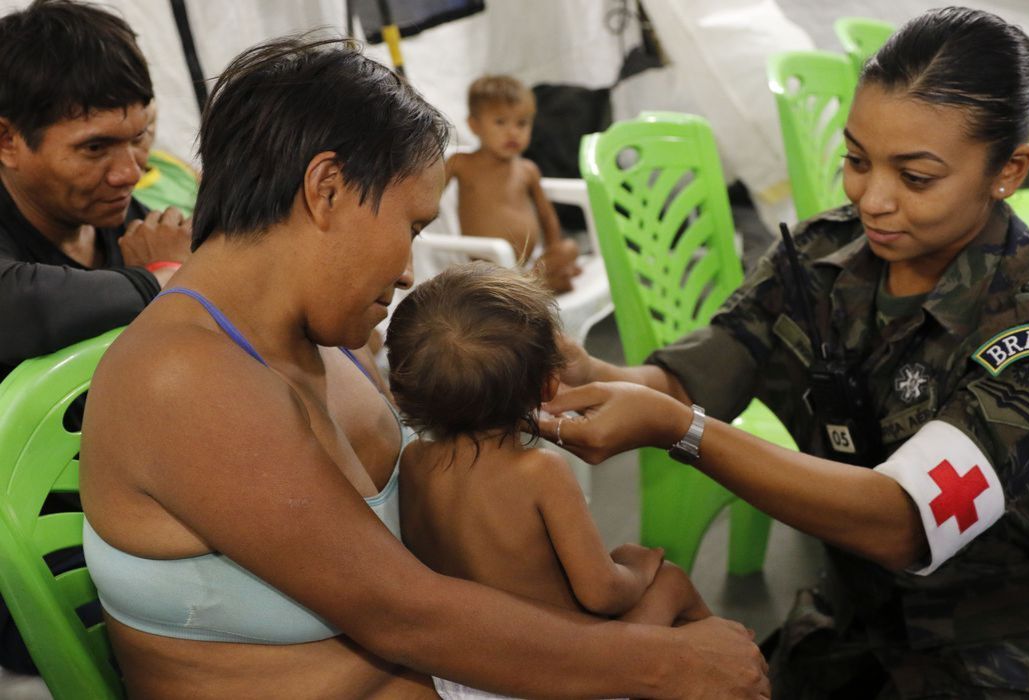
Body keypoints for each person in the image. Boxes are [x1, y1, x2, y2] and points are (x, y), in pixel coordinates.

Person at [79, 36, 768, 699]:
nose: (409, 271)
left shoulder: (326, 337)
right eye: (411, 226)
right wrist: (660, 666)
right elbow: (404, 612)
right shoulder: (185, 378)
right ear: (327, 188)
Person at [541, 7, 1029, 698]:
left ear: (1007, 171)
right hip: (852, 622)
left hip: (1001, 648)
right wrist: (591, 373)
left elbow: (906, 520)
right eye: (857, 160)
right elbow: (700, 374)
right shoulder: (817, 259)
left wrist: (679, 433)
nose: (873, 198)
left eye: (916, 177)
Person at [387, 261, 711, 698]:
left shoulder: (412, 462)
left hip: (464, 679)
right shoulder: (539, 471)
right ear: (549, 382)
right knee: (670, 583)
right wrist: (639, 565)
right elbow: (601, 594)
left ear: (403, 389)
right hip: (558, 677)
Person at [0, 0, 192, 675]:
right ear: (6, 140)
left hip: (143, 536)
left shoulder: (133, 222)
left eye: (140, 137)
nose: (131, 171)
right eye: (94, 148)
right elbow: (18, 305)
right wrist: (163, 283)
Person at [447, 74, 581, 293]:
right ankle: (537, 285)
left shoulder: (528, 170)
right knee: (555, 278)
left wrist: (554, 248)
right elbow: (428, 193)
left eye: (522, 123)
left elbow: (546, 215)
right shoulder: (462, 164)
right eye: (500, 122)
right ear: (474, 125)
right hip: (487, 265)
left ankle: (531, 283)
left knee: (569, 248)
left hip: (529, 263)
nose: (513, 132)